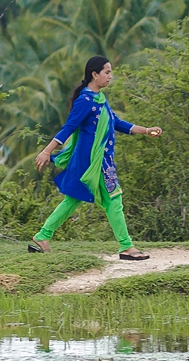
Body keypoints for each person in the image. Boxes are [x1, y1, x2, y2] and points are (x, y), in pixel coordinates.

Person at [30, 55, 160, 260]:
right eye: (107, 72)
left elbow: (116, 123)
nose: (110, 76)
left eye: (110, 72)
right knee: (113, 199)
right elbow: (69, 128)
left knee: (73, 199)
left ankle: (43, 236)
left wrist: (145, 130)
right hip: (93, 162)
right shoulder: (86, 101)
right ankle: (126, 246)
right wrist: (47, 151)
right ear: (94, 74)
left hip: (99, 160)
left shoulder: (100, 99)